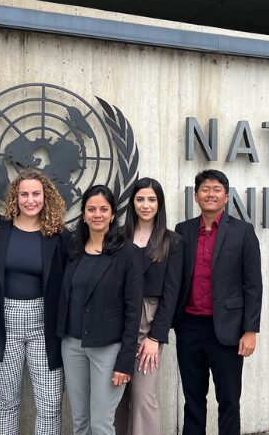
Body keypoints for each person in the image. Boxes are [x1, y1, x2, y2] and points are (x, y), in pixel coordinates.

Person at [0, 170, 67, 435]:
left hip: (45, 327)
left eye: (36, 194)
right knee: (6, 402)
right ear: (15, 197)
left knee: (50, 404)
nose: (30, 200)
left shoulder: (58, 235)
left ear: (46, 196)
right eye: (24, 194)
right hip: (2, 324)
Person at [173, 169, 263, 435]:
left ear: (226, 197)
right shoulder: (183, 231)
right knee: (193, 400)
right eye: (205, 189)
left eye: (216, 190)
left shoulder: (243, 232)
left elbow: (253, 284)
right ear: (195, 196)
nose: (210, 194)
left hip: (227, 330)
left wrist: (250, 330)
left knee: (229, 401)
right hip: (189, 327)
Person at [57, 184, 143, 435]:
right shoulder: (72, 249)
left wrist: (125, 361)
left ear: (113, 214)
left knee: (101, 423)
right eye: (91, 209)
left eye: (103, 209)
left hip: (108, 349)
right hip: (72, 345)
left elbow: (133, 311)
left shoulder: (128, 253)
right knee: (80, 421)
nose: (97, 214)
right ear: (83, 214)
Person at [114, 178, 183, 435]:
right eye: (140, 199)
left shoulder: (172, 242)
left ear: (159, 203)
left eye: (152, 199)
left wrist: (155, 337)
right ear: (132, 202)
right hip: (118, 317)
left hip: (149, 320)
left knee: (143, 395)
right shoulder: (118, 238)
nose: (146, 205)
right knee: (116, 393)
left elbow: (172, 294)